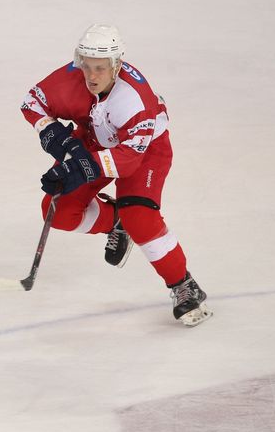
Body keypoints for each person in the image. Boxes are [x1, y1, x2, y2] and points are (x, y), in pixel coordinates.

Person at [20, 24, 212, 326]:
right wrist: (56, 135)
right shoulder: (73, 77)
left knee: (140, 216)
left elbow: (129, 159)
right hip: (96, 139)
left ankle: (183, 285)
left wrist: (78, 167)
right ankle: (115, 221)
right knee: (57, 211)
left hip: (144, 151)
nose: (92, 76)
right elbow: (32, 102)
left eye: (100, 68)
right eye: (87, 66)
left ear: (116, 66)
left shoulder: (135, 100)